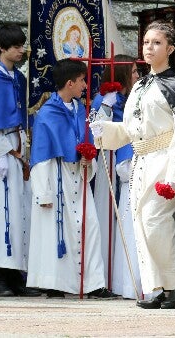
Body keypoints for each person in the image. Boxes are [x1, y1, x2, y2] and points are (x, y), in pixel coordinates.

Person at [90, 21, 175, 309]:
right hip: (142, 161)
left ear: (171, 48)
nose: (149, 48)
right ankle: (164, 286)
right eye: (146, 42)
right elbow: (131, 128)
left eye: (156, 43)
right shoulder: (139, 86)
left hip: (167, 160)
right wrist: (106, 131)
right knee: (143, 224)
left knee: (155, 222)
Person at [27, 59, 114, 299]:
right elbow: (41, 156)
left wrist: (89, 158)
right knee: (58, 231)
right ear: (69, 82)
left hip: (79, 175)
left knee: (90, 227)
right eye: (82, 80)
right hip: (57, 177)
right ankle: (56, 283)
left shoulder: (81, 110)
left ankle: (94, 283)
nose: (86, 85)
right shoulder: (47, 113)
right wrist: (43, 192)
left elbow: (85, 141)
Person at [0, 24, 39, 297]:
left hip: (16, 152)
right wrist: (1, 152)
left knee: (18, 215)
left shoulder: (19, 79)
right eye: (15, 46)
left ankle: (15, 277)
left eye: (22, 45)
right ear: (2, 48)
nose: (21, 50)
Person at [90, 55, 142, 299]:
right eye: (132, 72)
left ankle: (119, 275)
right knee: (107, 214)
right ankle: (104, 277)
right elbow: (97, 128)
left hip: (126, 155)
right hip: (110, 159)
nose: (136, 76)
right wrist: (106, 108)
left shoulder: (131, 98)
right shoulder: (106, 98)